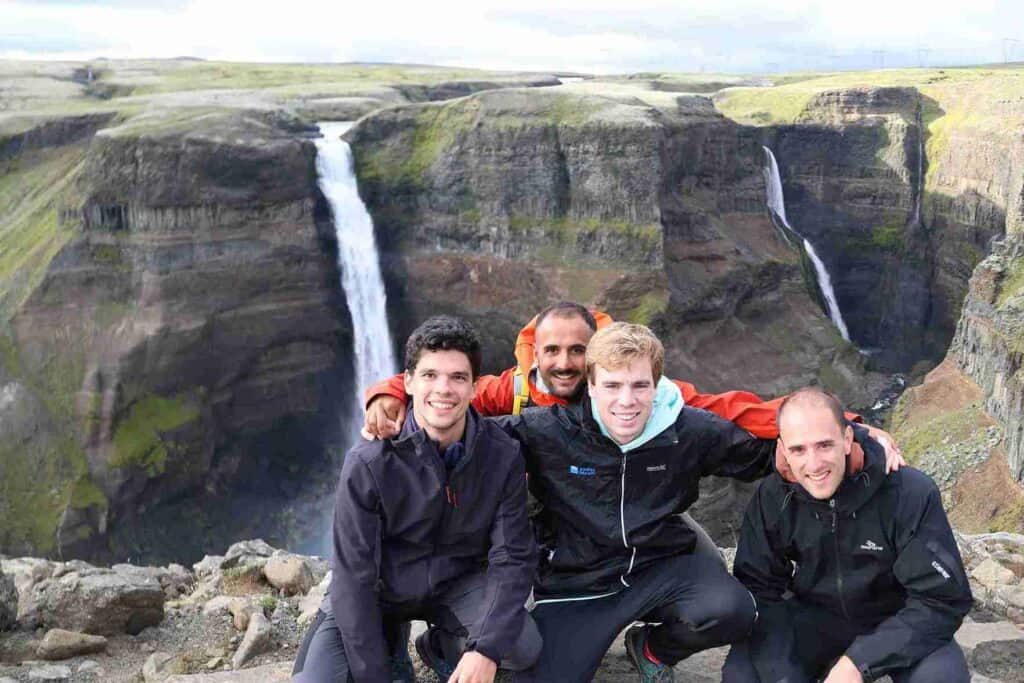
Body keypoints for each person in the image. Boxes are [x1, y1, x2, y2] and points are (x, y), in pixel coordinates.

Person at [500, 322, 783, 683]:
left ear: (658, 385)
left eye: (639, 385)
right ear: (591, 385)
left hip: (660, 565)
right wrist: (405, 408)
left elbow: (771, 453)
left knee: (732, 611)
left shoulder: (689, 430)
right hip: (578, 585)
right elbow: (468, 442)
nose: (626, 401)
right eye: (612, 386)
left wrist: (852, 435)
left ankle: (652, 648)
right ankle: (444, 646)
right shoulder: (546, 430)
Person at [292, 316, 540, 683]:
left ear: (474, 386)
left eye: (458, 377)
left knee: (521, 648)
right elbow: (354, 577)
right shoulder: (368, 462)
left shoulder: (501, 454)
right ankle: (389, 642)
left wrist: (485, 650)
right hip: (377, 591)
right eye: (429, 375)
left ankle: (439, 646)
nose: (444, 389)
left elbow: (512, 557)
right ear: (407, 382)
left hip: (456, 584)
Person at [362, 301, 901, 456]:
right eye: (553, 350)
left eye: (579, 351)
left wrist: (847, 424)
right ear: (536, 353)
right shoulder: (517, 389)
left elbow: (735, 410)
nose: (566, 363)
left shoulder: (649, 395)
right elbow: (443, 387)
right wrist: (385, 397)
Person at [723, 387, 972, 683]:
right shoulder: (774, 497)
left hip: (896, 617)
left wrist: (857, 663)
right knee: (744, 676)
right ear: (783, 449)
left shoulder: (909, 492)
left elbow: (940, 600)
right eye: (798, 450)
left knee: (940, 678)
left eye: (825, 445)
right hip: (810, 619)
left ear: (847, 439)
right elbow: (759, 590)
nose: (814, 464)